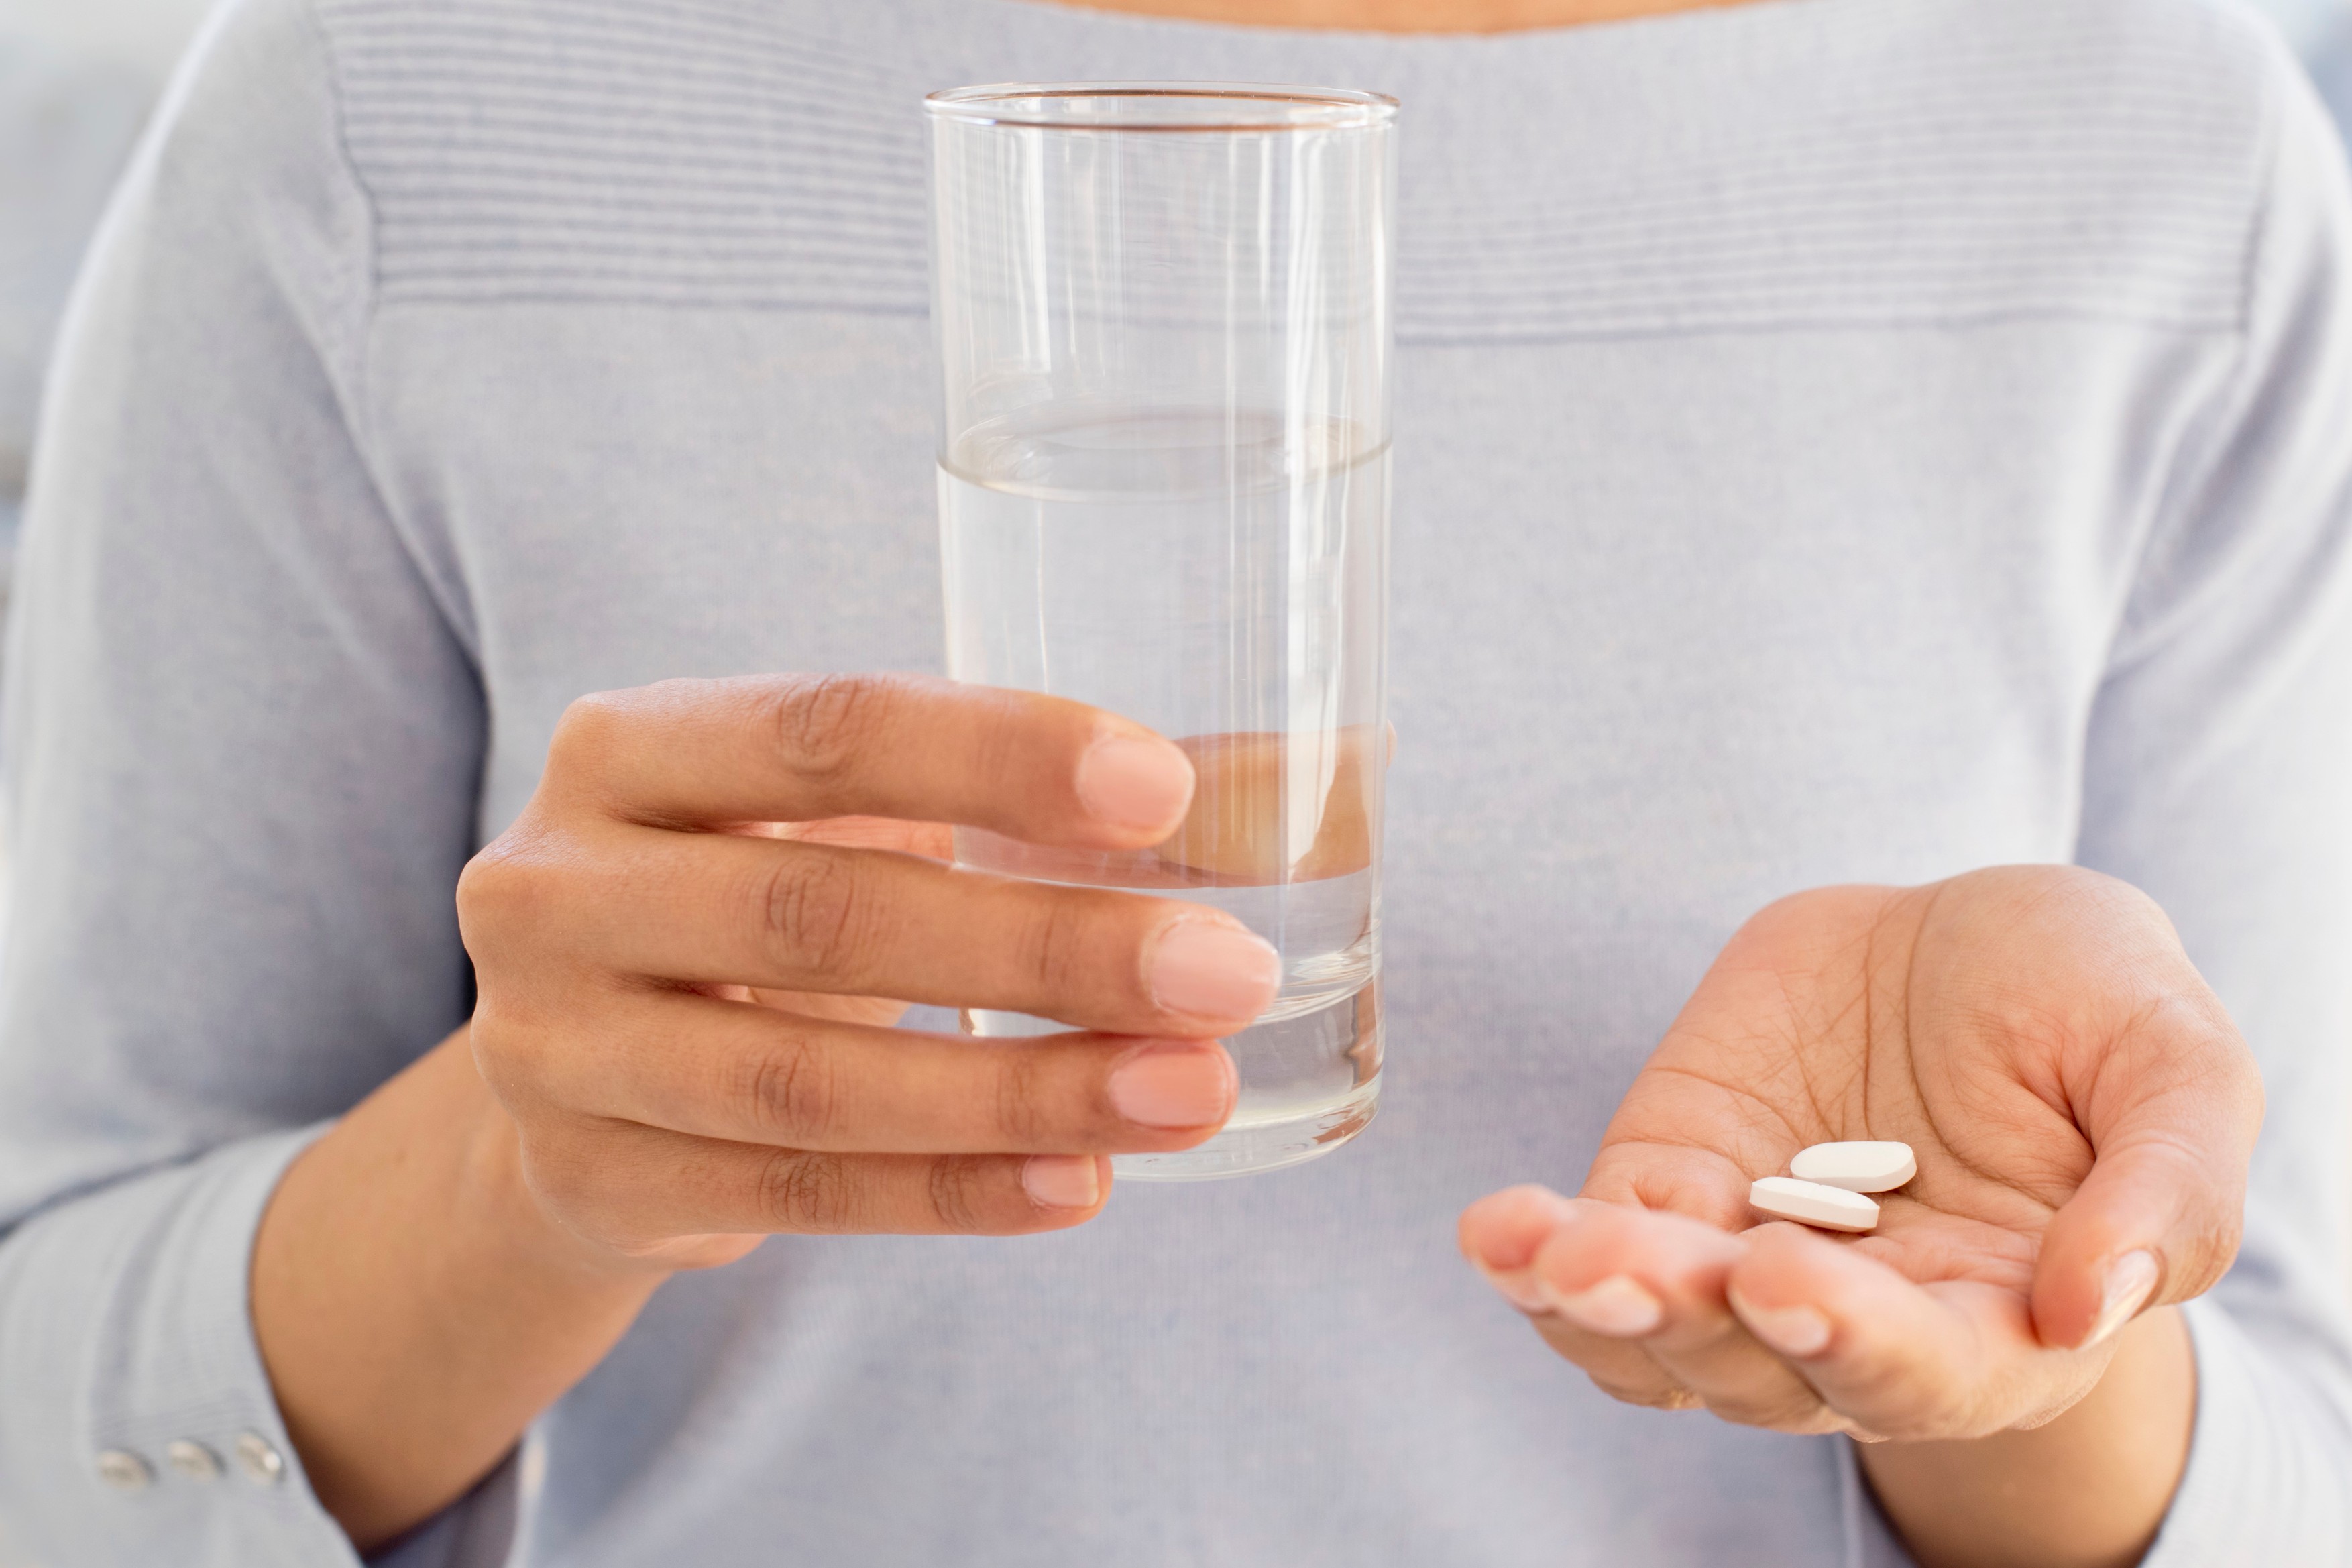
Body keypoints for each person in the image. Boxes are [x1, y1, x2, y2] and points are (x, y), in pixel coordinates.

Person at [1, 0, 2347, 1563]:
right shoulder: (393, 94)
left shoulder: (2150, 129)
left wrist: (2028, 1341)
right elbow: (48, 1418)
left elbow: (2295, 1463)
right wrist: (520, 1174)